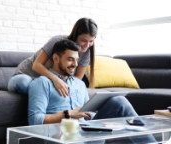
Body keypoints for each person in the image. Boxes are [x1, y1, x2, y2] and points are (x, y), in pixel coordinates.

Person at [28, 40, 156, 143]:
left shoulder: (79, 84)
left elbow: (88, 115)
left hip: (88, 133)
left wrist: (95, 113)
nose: (75, 64)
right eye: (70, 59)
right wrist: (68, 114)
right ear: (56, 58)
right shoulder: (42, 83)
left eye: (77, 60)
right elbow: (34, 120)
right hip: (62, 136)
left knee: (119, 101)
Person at [8, 17, 97, 96]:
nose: (87, 45)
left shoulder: (86, 52)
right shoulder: (58, 41)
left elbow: (77, 79)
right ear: (75, 35)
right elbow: (36, 65)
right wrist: (56, 80)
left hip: (48, 84)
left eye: (91, 41)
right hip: (26, 77)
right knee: (24, 83)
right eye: (83, 40)